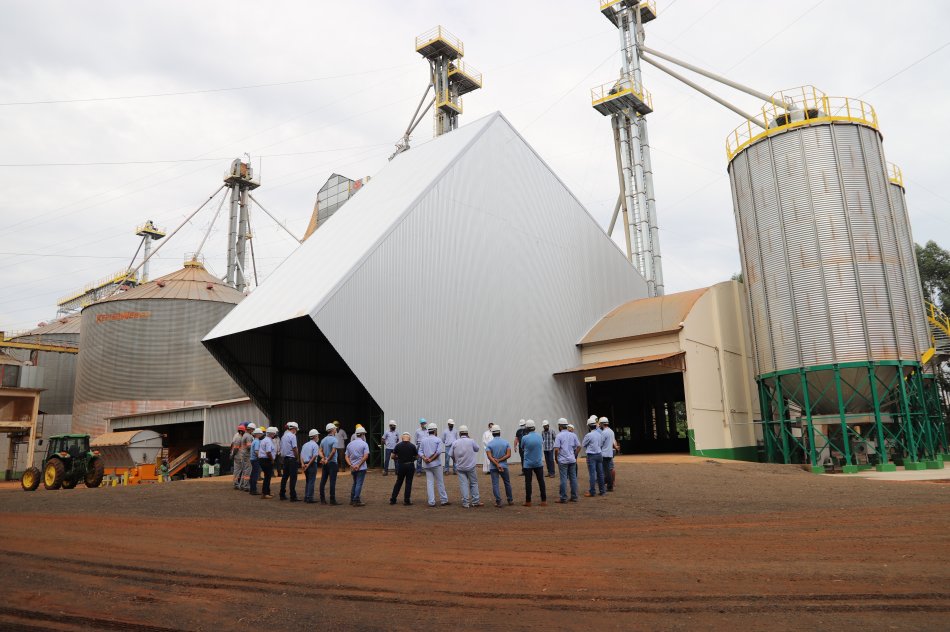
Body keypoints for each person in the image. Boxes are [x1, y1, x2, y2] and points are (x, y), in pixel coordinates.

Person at [420, 422, 450, 507]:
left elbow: (420, 451)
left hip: (427, 465)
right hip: (436, 464)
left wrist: (425, 458)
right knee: (440, 482)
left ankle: (431, 502)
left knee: (429, 483)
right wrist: (431, 459)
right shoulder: (438, 440)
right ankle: (444, 500)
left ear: (428, 431)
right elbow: (438, 452)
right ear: (435, 430)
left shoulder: (423, 440)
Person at [451, 425, 482, 508]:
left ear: (460, 433)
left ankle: (465, 503)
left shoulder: (455, 442)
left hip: (460, 467)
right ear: (467, 433)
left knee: (463, 484)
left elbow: (451, 454)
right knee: (473, 483)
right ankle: (475, 501)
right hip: (471, 466)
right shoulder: (471, 441)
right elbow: (477, 449)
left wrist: (455, 461)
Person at [520, 420, 546, 506]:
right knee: (541, 481)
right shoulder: (540, 436)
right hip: (538, 463)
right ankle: (544, 500)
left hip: (528, 463)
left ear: (527, 428)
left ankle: (528, 501)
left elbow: (522, 447)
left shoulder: (524, 438)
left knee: (528, 482)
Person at [554, 418, 580, 503]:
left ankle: (563, 498)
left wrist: (556, 458)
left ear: (560, 426)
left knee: (563, 479)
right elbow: (579, 446)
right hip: (572, 460)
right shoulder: (573, 435)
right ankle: (574, 497)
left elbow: (556, 449)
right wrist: (575, 455)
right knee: (573, 478)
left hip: (563, 460)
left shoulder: (559, 436)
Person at [486, 425, 513, 507]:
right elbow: (508, 455)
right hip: (504, 466)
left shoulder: (489, 444)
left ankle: (498, 501)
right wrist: (500, 461)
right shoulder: (506, 442)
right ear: (500, 432)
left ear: (492, 433)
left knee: (495, 484)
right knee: (507, 483)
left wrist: (496, 463)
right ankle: (510, 500)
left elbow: (489, 457)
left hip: (493, 467)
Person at [390, 431, 418, 505]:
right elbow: (417, 456)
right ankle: (407, 500)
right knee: (408, 483)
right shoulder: (412, 446)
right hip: (410, 465)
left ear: (402, 438)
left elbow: (392, 456)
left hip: (401, 465)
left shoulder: (398, 445)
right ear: (409, 438)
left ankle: (393, 499)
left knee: (398, 482)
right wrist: (412, 459)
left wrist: (398, 457)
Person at [345, 426, 370, 506]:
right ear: (362, 434)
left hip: (353, 467)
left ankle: (352, 499)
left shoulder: (350, 444)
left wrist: (351, 465)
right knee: (359, 483)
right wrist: (358, 465)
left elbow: (346, 456)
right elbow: (366, 456)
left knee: (355, 483)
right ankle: (356, 500)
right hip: (361, 467)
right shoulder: (364, 444)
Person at [582, 417, 606, 497]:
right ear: (595, 426)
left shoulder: (589, 435)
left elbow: (584, 444)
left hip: (591, 455)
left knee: (592, 474)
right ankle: (602, 491)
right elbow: (601, 444)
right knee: (600, 473)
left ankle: (592, 491)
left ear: (588, 426)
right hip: (599, 454)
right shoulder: (600, 434)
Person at [279, 422, 300, 502]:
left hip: (285, 459)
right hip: (291, 459)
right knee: (293, 478)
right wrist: (297, 457)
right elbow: (295, 448)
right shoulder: (292, 436)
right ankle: (293, 496)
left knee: (284, 477)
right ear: (294, 428)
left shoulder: (284, 436)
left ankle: (282, 494)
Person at [319, 423, 339, 505]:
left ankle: (322, 499)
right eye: (335, 428)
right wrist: (328, 459)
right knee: (332, 481)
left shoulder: (323, 440)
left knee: (323, 481)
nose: (336, 430)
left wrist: (323, 458)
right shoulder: (334, 440)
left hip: (325, 463)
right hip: (332, 463)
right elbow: (333, 451)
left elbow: (319, 450)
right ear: (332, 430)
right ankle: (332, 500)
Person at [599, 416, 620, 492]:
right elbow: (613, 442)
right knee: (608, 469)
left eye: (600, 424)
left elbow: (600, 443)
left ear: (602, 424)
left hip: (604, 453)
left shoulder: (604, 432)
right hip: (610, 453)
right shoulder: (611, 431)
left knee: (606, 471)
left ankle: (609, 486)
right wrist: (616, 447)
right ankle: (609, 485)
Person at [300, 428, 321, 503]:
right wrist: (308, 464)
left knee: (308, 481)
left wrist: (302, 464)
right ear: (315, 436)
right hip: (311, 464)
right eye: (317, 435)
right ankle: (310, 497)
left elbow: (301, 455)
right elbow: (315, 456)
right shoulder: (315, 445)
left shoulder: (305, 444)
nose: (318, 437)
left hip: (305, 464)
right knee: (311, 481)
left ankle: (306, 496)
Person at [258, 427, 278, 499]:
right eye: (274, 433)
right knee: (267, 477)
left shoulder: (265, 440)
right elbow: (268, 452)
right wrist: (272, 460)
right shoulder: (268, 441)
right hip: (266, 460)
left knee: (267, 476)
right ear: (271, 434)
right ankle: (265, 493)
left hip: (263, 460)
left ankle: (267, 492)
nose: (275, 435)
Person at [230, 424, 247, 490]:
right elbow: (236, 449)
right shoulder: (238, 438)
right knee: (238, 471)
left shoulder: (240, 437)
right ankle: (237, 484)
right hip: (238, 457)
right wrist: (232, 455)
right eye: (243, 431)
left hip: (240, 456)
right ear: (241, 431)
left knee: (238, 471)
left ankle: (238, 484)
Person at [249, 427, 264, 495]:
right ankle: (254, 490)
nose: (262, 435)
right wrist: (260, 458)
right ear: (257, 434)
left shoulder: (254, 441)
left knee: (252, 475)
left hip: (252, 459)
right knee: (255, 475)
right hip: (255, 460)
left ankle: (252, 489)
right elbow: (256, 451)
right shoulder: (257, 442)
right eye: (261, 434)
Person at [239, 423, 254, 490]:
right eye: (253, 430)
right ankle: (246, 486)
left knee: (244, 470)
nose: (253, 431)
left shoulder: (245, 435)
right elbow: (249, 446)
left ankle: (241, 485)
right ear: (250, 429)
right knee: (248, 471)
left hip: (243, 454)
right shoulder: (249, 436)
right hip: (247, 455)